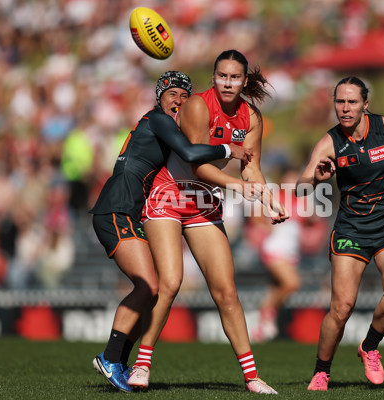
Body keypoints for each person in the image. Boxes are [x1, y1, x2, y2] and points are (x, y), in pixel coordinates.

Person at [128, 49, 287, 394]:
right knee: (170, 282)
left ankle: (251, 377)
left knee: (226, 291)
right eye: (222, 76)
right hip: (170, 193)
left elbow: (252, 167)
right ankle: (142, 364)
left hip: (203, 200)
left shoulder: (252, 117)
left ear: (245, 81)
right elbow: (198, 163)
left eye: (234, 78)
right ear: (214, 77)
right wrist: (240, 188)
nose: (228, 83)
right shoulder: (198, 106)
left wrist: (268, 196)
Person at [89, 71, 252, 392]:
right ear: (159, 95)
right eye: (172, 93)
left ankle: (117, 360)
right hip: (117, 208)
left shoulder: (160, 122)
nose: (178, 100)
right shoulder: (158, 120)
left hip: (125, 210)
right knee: (150, 285)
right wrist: (228, 149)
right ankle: (111, 358)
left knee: (154, 287)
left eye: (183, 96)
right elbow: (191, 153)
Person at [296, 76, 384, 391]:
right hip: (352, 228)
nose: (345, 108)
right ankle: (322, 372)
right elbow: (301, 187)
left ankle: (370, 345)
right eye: (339, 102)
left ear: (365, 104)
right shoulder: (329, 142)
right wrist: (317, 178)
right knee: (342, 307)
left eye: (351, 102)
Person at [250, 168, 303, 343]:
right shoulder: (276, 196)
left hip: (291, 250)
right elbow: (255, 214)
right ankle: (267, 314)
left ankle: (263, 326)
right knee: (292, 283)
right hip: (275, 248)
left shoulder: (301, 200)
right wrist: (268, 228)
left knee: (275, 288)